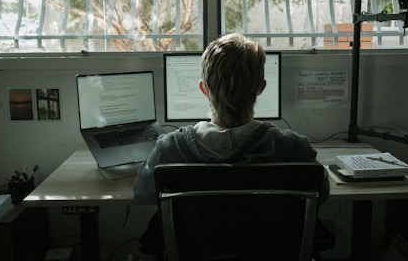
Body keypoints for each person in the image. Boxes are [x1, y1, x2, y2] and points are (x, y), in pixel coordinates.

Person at [133, 33, 330, 258]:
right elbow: (321, 194)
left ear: (204, 89)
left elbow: (143, 193)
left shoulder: (170, 148)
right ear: (261, 88)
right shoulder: (294, 149)